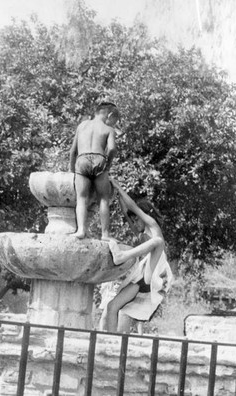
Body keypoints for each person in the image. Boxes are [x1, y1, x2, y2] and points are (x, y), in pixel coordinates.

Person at [99, 180, 173, 333]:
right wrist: (119, 197)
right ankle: (111, 341)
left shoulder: (153, 228)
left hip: (154, 276)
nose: (135, 223)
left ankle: (122, 256)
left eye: (137, 219)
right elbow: (127, 213)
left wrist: (118, 187)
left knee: (158, 242)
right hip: (141, 281)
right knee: (112, 306)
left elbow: (132, 207)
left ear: (144, 216)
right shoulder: (140, 234)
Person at [69, 101, 119, 240]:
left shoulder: (82, 125)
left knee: (81, 198)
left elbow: (72, 151)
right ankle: (105, 234)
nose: (114, 124)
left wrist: (72, 171)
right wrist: (107, 164)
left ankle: (80, 230)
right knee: (103, 198)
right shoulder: (108, 129)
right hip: (99, 159)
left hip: (82, 159)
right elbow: (112, 149)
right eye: (115, 120)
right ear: (109, 115)